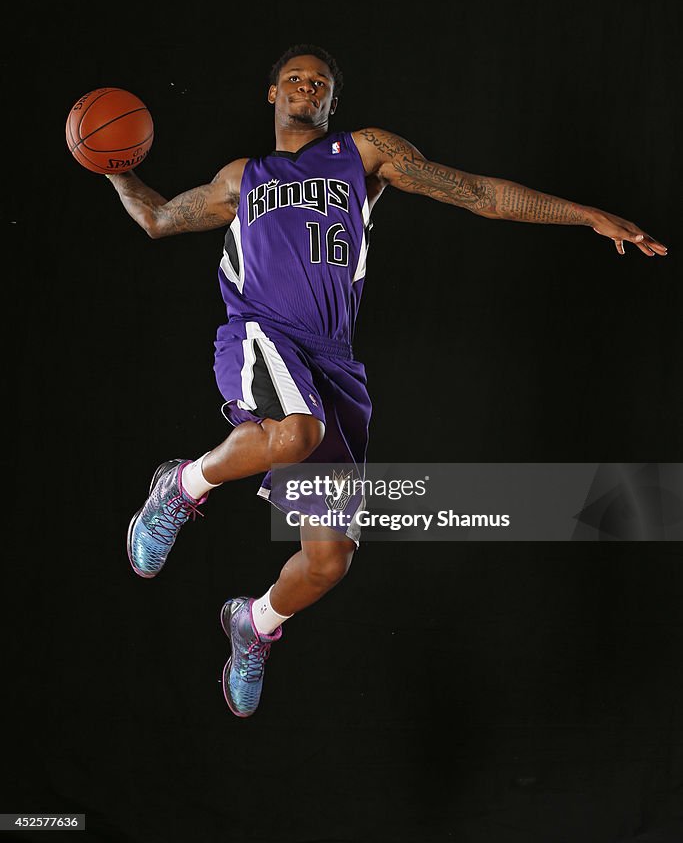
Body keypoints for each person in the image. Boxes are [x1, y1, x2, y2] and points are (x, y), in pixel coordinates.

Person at [106, 43, 667, 718]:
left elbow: (478, 194)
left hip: (332, 361)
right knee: (292, 433)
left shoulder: (362, 153)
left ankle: (254, 623)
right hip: (261, 333)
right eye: (293, 78)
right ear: (272, 93)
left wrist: (586, 214)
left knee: (327, 564)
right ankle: (181, 487)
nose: (305, 87)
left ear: (330, 100)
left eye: (319, 81)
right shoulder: (240, 177)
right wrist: (113, 167)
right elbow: (158, 217)